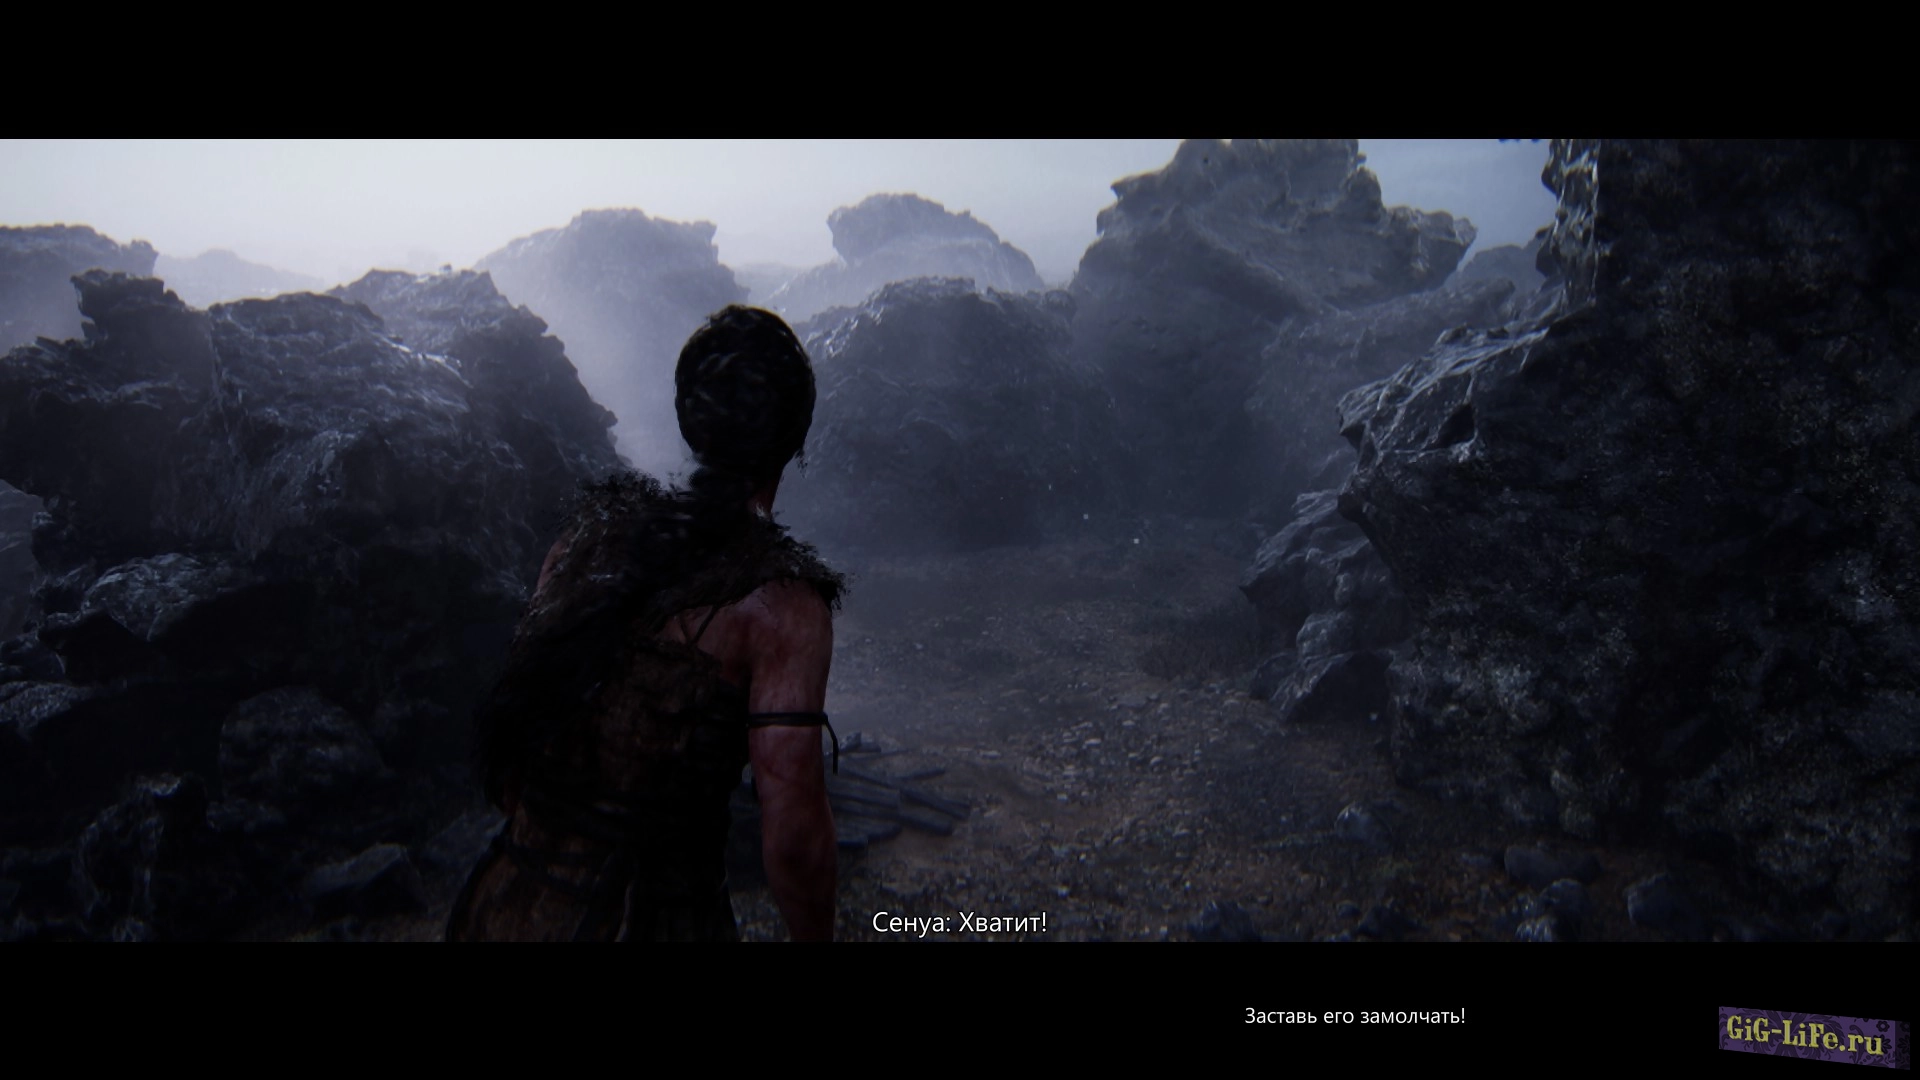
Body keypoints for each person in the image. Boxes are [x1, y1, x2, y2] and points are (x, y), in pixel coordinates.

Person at [446, 306, 845, 942]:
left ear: (690, 419)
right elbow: (794, 834)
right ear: (795, 434)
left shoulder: (580, 542)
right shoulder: (780, 607)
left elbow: (512, 760)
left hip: (503, 909)